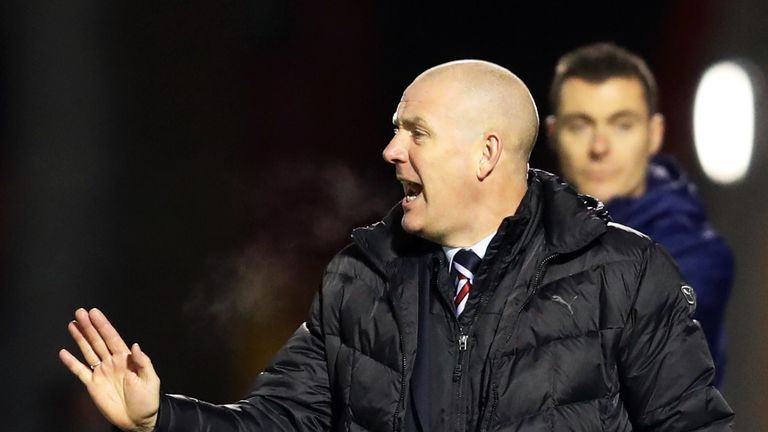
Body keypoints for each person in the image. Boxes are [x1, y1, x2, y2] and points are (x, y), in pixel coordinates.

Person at [60, 60, 734, 431]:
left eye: (417, 132)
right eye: (393, 130)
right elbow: (281, 421)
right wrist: (160, 421)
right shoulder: (361, 278)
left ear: (486, 153)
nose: (391, 151)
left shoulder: (625, 270)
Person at [546, 42, 734, 386]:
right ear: (554, 135)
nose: (599, 147)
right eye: (581, 125)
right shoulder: (526, 238)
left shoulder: (697, 255)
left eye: (622, 125)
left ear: (655, 134)